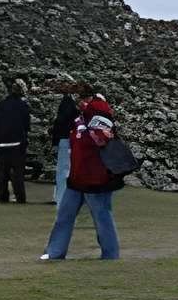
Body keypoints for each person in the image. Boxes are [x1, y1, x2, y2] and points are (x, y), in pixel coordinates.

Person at [43, 94, 125, 261]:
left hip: (95, 179)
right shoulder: (80, 119)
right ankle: (55, 252)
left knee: (101, 217)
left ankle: (110, 254)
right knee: (66, 215)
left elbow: (102, 139)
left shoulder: (96, 115)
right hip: (78, 177)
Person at [0, 78, 33, 203]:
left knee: (2, 172)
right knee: (18, 173)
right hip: (17, 143)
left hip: (1, 143)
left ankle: (2, 197)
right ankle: (20, 197)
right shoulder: (23, 106)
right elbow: (26, 125)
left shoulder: (1, 105)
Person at [48, 87, 81, 208]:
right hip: (70, 140)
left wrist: (54, 142)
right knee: (67, 170)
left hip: (63, 139)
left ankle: (59, 197)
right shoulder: (72, 108)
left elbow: (58, 124)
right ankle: (65, 198)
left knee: (62, 170)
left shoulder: (64, 106)